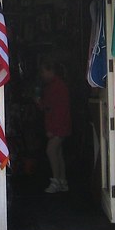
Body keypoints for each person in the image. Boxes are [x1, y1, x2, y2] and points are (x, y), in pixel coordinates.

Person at [36, 59, 72, 194]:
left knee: (51, 151)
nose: (42, 75)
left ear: (50, 71)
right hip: (62, 124)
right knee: (58, 152)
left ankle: (56, 181)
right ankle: (63, 181)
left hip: (58, 125)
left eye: (43, 72)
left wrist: (52, 129)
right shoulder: (57, 85)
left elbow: (54, 109)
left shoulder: (56, 87)